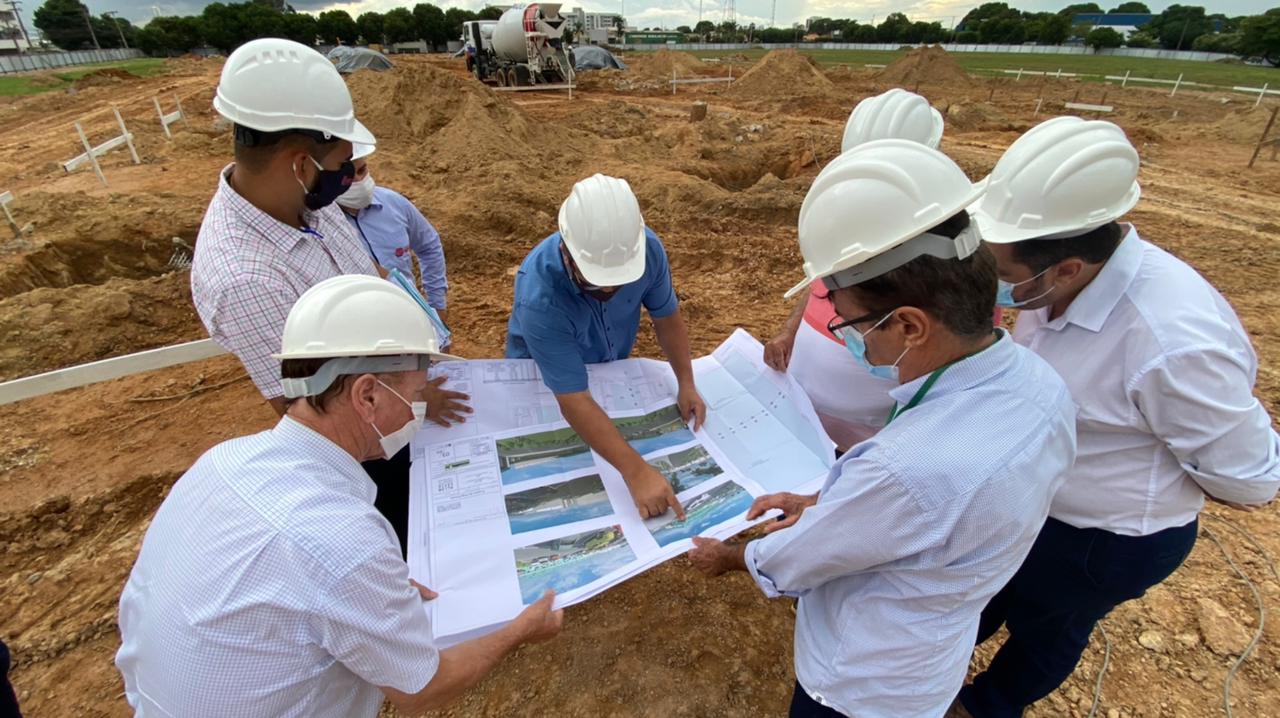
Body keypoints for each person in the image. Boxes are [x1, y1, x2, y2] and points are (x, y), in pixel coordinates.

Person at [686, 139, 1078, 718]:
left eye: (848, 321)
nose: (843, 331)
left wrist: (733, 558)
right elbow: (913, 517)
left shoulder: (908, 467)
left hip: (859, 682)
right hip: (928, 660)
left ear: (910, 326)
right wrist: (829, 499)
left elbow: (799, 559)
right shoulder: (1041, 386)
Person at [116, 275, 562, 718]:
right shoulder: (342, 538)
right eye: (416, 393)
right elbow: (424, 689)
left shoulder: (223, 461)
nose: (420, 407)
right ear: (367, 395)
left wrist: (364, 589)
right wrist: (519, 630)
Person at [954, 117, 1280, 718]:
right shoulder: (1049, 280)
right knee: (983, 597)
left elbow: (1251, 478)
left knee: (1047, 628)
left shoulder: (1173, 343)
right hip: (1033, 505)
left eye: (1002, 278)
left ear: (1070, 267)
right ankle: (938, 670)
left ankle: (987, 706)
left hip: (1103, 539)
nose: (994, 289)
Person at [190, 38, 469, 555]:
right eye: (343, 160)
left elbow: (369, 282)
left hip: (395, 402)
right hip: (368, 445)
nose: (349, 174)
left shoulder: (309, 202)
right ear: (300, 163)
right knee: (402, 539)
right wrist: (418, 400)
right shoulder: (245, 278)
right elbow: (313, 411)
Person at [506, 174, 705, 519]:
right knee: (560, 455)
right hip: (542, 372)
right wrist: (636, 472)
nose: (610, 291)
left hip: (607, 360)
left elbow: (667, 317)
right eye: (597, 281)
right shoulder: (540, 296)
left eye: (620, 281)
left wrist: (686, 381)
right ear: (567, 252)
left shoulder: (647, 251)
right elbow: (573, 398)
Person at [763, 89, 946, 450]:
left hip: (864, 444)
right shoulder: (850, 208)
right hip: (800, 419)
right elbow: (820, 280)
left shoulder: (946, 248)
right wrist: (789, 334)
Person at [338, 143, 450, 326]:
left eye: (362, 170)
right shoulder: (322, 223)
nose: (358, 181)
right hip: (357, 324)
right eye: (349, 177)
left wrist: (437, 307)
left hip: (411, 316)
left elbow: (429, 246)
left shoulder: (394, 204)